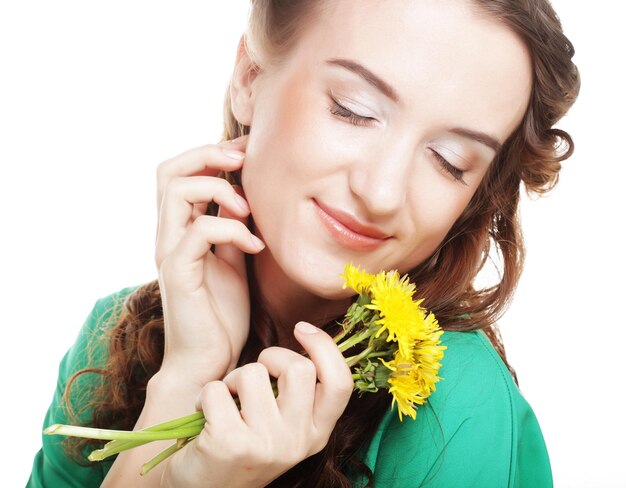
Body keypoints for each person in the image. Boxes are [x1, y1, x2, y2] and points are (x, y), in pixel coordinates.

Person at [27, 0, 580, 486]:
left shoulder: (455, 409)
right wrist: (182, 379)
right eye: (353, 109)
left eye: (449, 161)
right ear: (250, 76)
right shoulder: (109, 340)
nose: (382, 192)